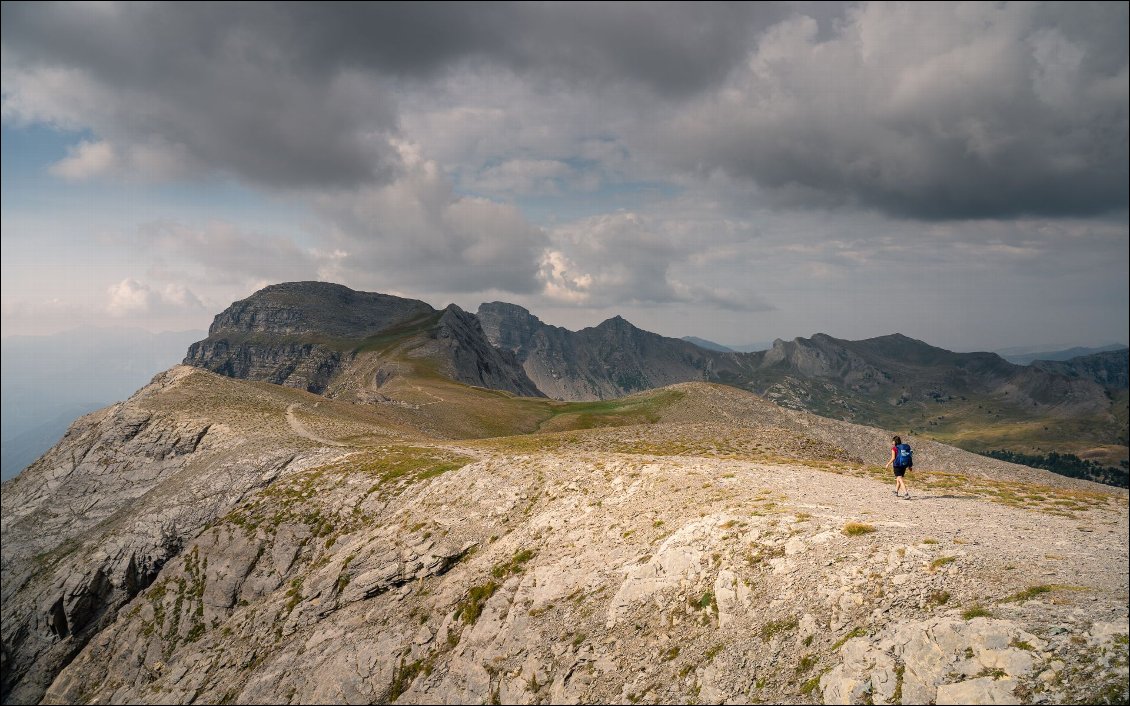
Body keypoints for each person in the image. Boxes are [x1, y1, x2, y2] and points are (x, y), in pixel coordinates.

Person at [884, 435, 912, 499]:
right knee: (898, 479)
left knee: (900, 479)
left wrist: (888, 464)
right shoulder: (903, 448)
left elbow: (893, 458)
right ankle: (896, 492)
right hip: (903, 465)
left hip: (897, 465)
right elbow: (909, 456)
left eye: (893, 441)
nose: (892, 443)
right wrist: (909, 466)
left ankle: (906, 493)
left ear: (895, 442)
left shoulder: (894, 448)